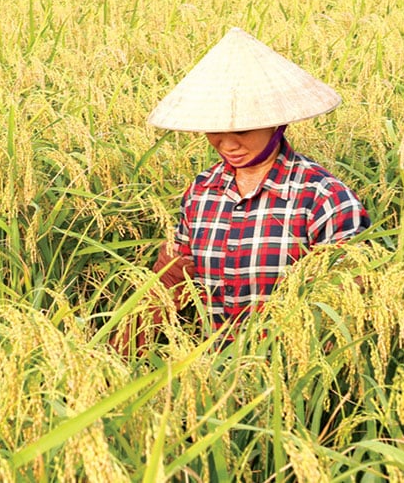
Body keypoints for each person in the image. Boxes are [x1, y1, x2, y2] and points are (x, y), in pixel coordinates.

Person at [115, 27, 369, 354]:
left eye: (243, 130)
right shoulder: (202, 192)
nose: (228, 144)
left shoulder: (323, 197)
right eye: (215, 131)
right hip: (211, 375)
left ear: (277, 122)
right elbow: (169, 289)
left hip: (290, 377)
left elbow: (346, 301)